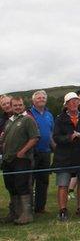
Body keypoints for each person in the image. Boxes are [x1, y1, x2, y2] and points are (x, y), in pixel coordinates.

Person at [52, 92, 80, 221]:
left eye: (76, 101)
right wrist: (69, 138)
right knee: (63, 184)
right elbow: (56, 137)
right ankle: (62, 210)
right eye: (71, 102)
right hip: (64, 156)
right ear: (66, 105)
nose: (74, 103)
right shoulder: (60, 119)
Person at [1, 96, 40, 225]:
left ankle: (27, 214)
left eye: (20, 105)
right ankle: (15, 213)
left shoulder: (28, 119)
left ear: (23, 105)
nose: (17, 107)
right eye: (15, 105)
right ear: (11, 107)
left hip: (22, 159)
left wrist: (22, 151)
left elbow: (34, 138)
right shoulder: (9, 121)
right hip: (8, 160)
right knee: (11, 186)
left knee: (22, 185)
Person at [27, 90, 55, 214]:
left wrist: (55, 148)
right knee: (29, 180)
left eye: (43, 98)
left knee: (43, 181)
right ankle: (28, 207)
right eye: (38, 98)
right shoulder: (27, 114)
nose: (41, 99)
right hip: (32, 152)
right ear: (33, 101)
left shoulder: (49, 114)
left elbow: (51, 133)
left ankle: (40, 208)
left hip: (46, 152)